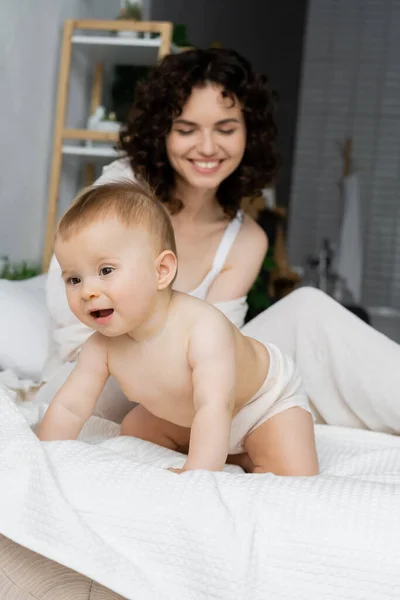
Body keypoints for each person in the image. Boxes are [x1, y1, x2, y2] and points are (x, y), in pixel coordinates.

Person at [36, 47, 400, 435]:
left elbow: (218, 350)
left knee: (306, 312)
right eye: (187, 129)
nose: (208, 148)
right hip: (94, 375)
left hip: (181, 386)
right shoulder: (120, 191)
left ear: (249, 134)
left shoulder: (245, 239)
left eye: (225, 129)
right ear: (162, 132)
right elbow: (75, 314)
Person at [38, 182, 319, 476]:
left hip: (259, 404)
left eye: (106, 270)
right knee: (133, 432)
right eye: (74, 279)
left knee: (296, 475)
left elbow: (216, 405)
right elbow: (71, 405)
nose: (87, 291)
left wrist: (197, 472)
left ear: (161, 271)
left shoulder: (203, 328)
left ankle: (241, 453)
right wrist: (44, 454)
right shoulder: (101, 346)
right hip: (190, 414)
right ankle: (230, 455)